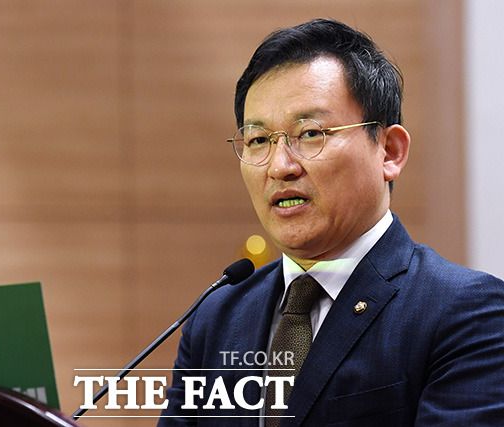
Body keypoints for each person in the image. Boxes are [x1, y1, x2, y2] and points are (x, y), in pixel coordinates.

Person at [158, 18, 504, 426]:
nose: (280, 166)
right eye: (258, 140)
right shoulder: (217, 318)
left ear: (389, 151)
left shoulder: (467, 313)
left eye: (310, 133)